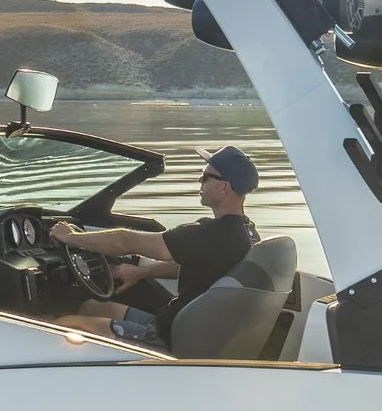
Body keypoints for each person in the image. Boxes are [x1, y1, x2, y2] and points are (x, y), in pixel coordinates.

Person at [53, 144, 259, 348]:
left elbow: (126, 242)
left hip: (169, 337)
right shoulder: (246, 232)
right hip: (183, 325)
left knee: (60, 326)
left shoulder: (210, 234)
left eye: (206, 176)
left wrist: (71, 237)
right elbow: (195, 263)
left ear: (224, 187)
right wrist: (142, 272)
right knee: (91, 307)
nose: (200, 181)